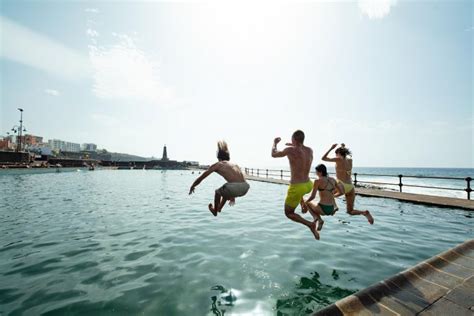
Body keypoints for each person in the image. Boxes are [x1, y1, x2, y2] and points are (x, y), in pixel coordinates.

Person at [271, 130, 319, 239]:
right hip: (308, 185)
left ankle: (310, 224)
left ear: (294, 139)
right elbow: (300, 150)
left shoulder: (290, 150)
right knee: (301, 193)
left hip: (297, 187)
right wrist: (293, 145)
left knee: (288, 213)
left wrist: (274, 143)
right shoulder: (310, 150)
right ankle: (303, 203)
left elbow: (274, 154)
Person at [189, 141, 250, 216]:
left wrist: (193, 186)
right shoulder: (235, 165)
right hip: (246, 187)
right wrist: (232, 195)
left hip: (234, 187)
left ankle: (215, 211)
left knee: (217, 192)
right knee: (224, 190)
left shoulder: (218, 164)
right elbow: (237, 179)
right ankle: (219, 208)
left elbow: (202, 177)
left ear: (219, 158)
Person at [322, 143, 374, 224]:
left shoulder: (338, 160)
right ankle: (364, 213)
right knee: (350, 211)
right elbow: (345, 154)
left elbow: (323, 158)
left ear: (339, 154)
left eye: (336, 154)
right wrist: (343, 147)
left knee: (327, 194)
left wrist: (331, 148)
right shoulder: (350, 160)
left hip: (341, 185)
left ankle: (334, 207)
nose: (335, 155)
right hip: (350, 187)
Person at [303, 164, 343, 237]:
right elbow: (341, 192)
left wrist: (304, 203)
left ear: (320, 172)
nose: (316, 173)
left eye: (316, 172)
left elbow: (312, 196)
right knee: (318, 201)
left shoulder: (317, 181)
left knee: (307, 202)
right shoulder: (333, 179)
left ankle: (318, 219)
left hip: (322, 208)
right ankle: (334, 208)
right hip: (331, 208)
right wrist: (333, 195)